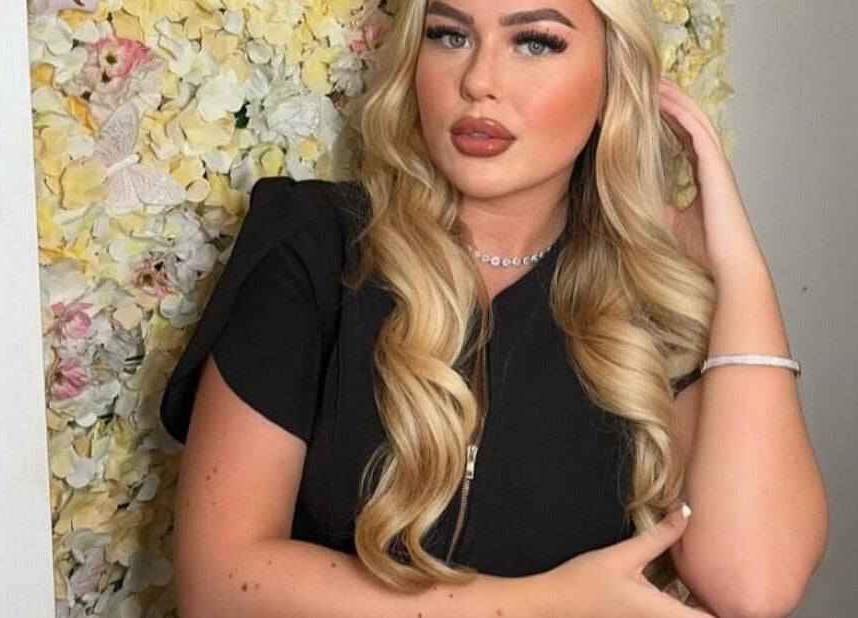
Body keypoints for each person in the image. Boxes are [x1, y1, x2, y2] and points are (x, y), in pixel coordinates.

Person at [160, 1, 828, 615]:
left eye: (534, 42)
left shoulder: (647, 306)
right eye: (449, 36)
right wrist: (545, 604)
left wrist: (739, 271)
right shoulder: (312, 247)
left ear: (613, 79)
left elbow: (755, 587)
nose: (478, 80)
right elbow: (218, 585)